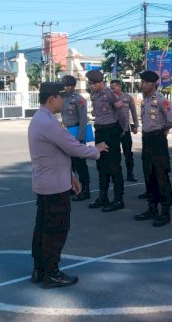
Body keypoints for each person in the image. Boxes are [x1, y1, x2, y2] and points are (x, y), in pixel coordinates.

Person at [28, 82, 108, 288]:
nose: (63, 101)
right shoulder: (49, 123)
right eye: (61, 97)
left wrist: (71, 174)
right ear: (52, 98)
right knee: (56, 229)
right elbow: (72, 147)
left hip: (48, 181)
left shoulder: (40, 119)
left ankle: (40, 268)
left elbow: (57, 153)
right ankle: (52, 272)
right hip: (54, 186)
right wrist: (96, 150)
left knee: (43, 227)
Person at [133, 71, 172, 227]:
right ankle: (152, 208)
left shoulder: (161, 100)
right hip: (147, 140)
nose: (143, 84)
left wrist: (160, 129)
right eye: (142, 82)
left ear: (153, 84)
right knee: (149, 174)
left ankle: (165, 212)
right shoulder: (145, 101)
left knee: (161, 175)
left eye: (145, 82)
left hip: (158, 140)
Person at [86, 70, 128, 212]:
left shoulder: (110, 94)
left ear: (101, 82)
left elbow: (121, 112)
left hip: (111, 131)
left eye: (95, 83)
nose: (92, 85)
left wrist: (122, 129)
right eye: (91, 83)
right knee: (101, 165)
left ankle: (118, 199)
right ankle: (103, 197)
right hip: (100, 131)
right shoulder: (94, 95)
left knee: (114, 165)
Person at [60, 75, 92, 202]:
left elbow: (84, 119)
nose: (64, 88)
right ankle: (72, 188)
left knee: (80, 164)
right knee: (69, 164)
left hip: (76, 132)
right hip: (67, 133)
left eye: (66, 85)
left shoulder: (79, 99)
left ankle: (85, 190)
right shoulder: (63, 98)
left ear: (73, 86)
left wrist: (80, 137)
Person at [111, 79, 139, 182]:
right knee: (115, 153)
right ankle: (116, 175)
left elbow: (134, 111)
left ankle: (130, 174)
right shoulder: (110, 98)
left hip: (125, 129)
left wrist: (136, 125)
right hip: (114, 129)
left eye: (113, 88)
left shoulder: (127, 98)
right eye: (111, 88)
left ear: (119, 87)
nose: (112, 90)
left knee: (128, 153)